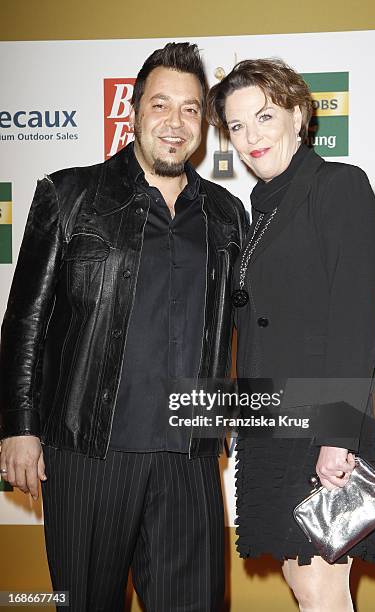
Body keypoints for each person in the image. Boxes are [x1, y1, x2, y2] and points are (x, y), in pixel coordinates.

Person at [0, 42, 247, 612]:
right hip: (87, 455)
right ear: (132, 112)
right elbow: (25, 319)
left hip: (188, 459)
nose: (175, 122)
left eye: (190, 109)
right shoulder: (70, 195)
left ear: (204, 125)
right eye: (161, 105)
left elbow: (254, 317)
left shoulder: (225, 214)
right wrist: (18, 425)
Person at [207, 58, 375, 611]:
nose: (250, 137)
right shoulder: (258, 211)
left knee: (319, 588)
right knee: (303, 583)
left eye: (264, 116)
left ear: (299, 114)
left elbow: (355, 319)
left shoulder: (337, 185)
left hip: (319, 429)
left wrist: (339, 436)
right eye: (237, 126)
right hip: (270, 426)